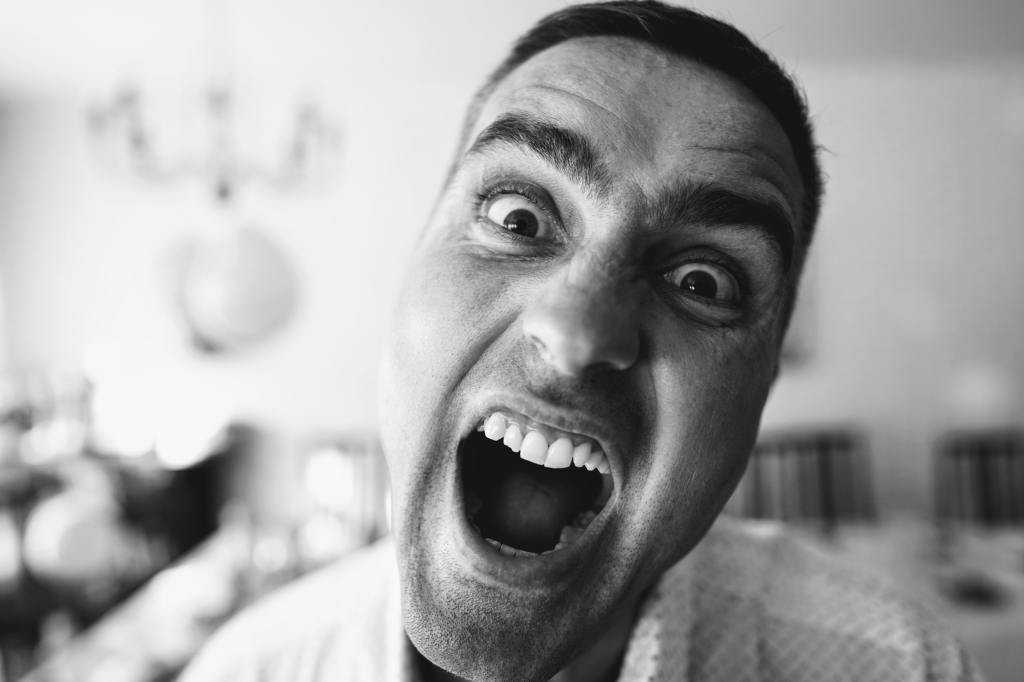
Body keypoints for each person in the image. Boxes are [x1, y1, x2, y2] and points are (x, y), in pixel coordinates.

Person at [181, 2, 982, 680]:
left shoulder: (903, 667)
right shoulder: (244, 669)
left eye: (703, 281)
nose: (577, 333)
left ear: (763, 385)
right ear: (413, 261)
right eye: (518, 218)